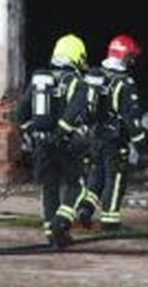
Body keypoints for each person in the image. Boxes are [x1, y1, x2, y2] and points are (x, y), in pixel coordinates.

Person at [12, 34, 92, 249]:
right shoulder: (77, 83)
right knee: (77, 187)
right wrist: (61, 133)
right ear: (76, 57)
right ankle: (61, 223)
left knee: (50, 187)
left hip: (41, 144)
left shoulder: (40, 80)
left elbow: (20, 114)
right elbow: (74, 111)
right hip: (66, 145)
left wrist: (33, 132)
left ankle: (52, 235)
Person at [77, 34, 145, 232]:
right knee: (114, 179)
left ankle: (85, 208)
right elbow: (131, 117)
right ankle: (110, 221)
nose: (133, 60)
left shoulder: (95, 75)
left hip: (95, 136)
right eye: (131, 56)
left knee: (96, 176)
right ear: (124, 56)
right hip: (115, 140)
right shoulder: (125, 83)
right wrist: (140, 141)